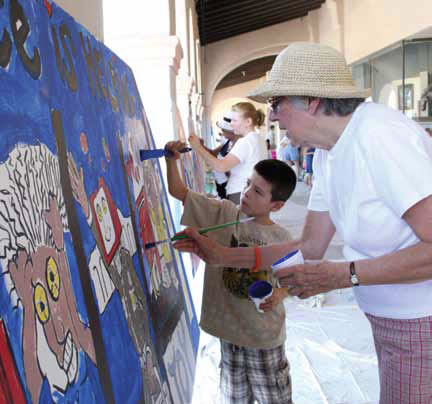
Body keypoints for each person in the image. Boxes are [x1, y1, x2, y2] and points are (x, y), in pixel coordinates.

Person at [174, 42, 432, 404]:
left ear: (309, 101)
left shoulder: (379, 136)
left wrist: (345, 274)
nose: (274, 117)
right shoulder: (329, 153)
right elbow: (310, 245)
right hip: (389, 317)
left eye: (276, 104)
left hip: (420, 321)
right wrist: (221, 256)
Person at [165, 140, 297, 404]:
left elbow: (294, 281)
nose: (247, 193)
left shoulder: (282, 238)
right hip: (230, 334)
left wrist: (280, 294)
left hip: (262, 338)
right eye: (248, 184)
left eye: (258, 192)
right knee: (234, 398)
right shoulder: (224, 213)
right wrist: (171, 160)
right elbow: (179, 191)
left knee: (274, 397)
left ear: (277, 205)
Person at [189, 102, 267, 204]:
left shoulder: (246, 141)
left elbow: (221, 167)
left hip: (240, 193)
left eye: (235, 120)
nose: (231, 124)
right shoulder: (257, 139)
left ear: (248, 121)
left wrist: (198, 147)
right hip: (247, 192)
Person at [210, 111, 239, 199]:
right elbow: (213, 153)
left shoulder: (237, 145)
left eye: (223, 130)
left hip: (228, 186)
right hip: (221, 183)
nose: (222, 133)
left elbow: (230, 172)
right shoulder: (228, 142)